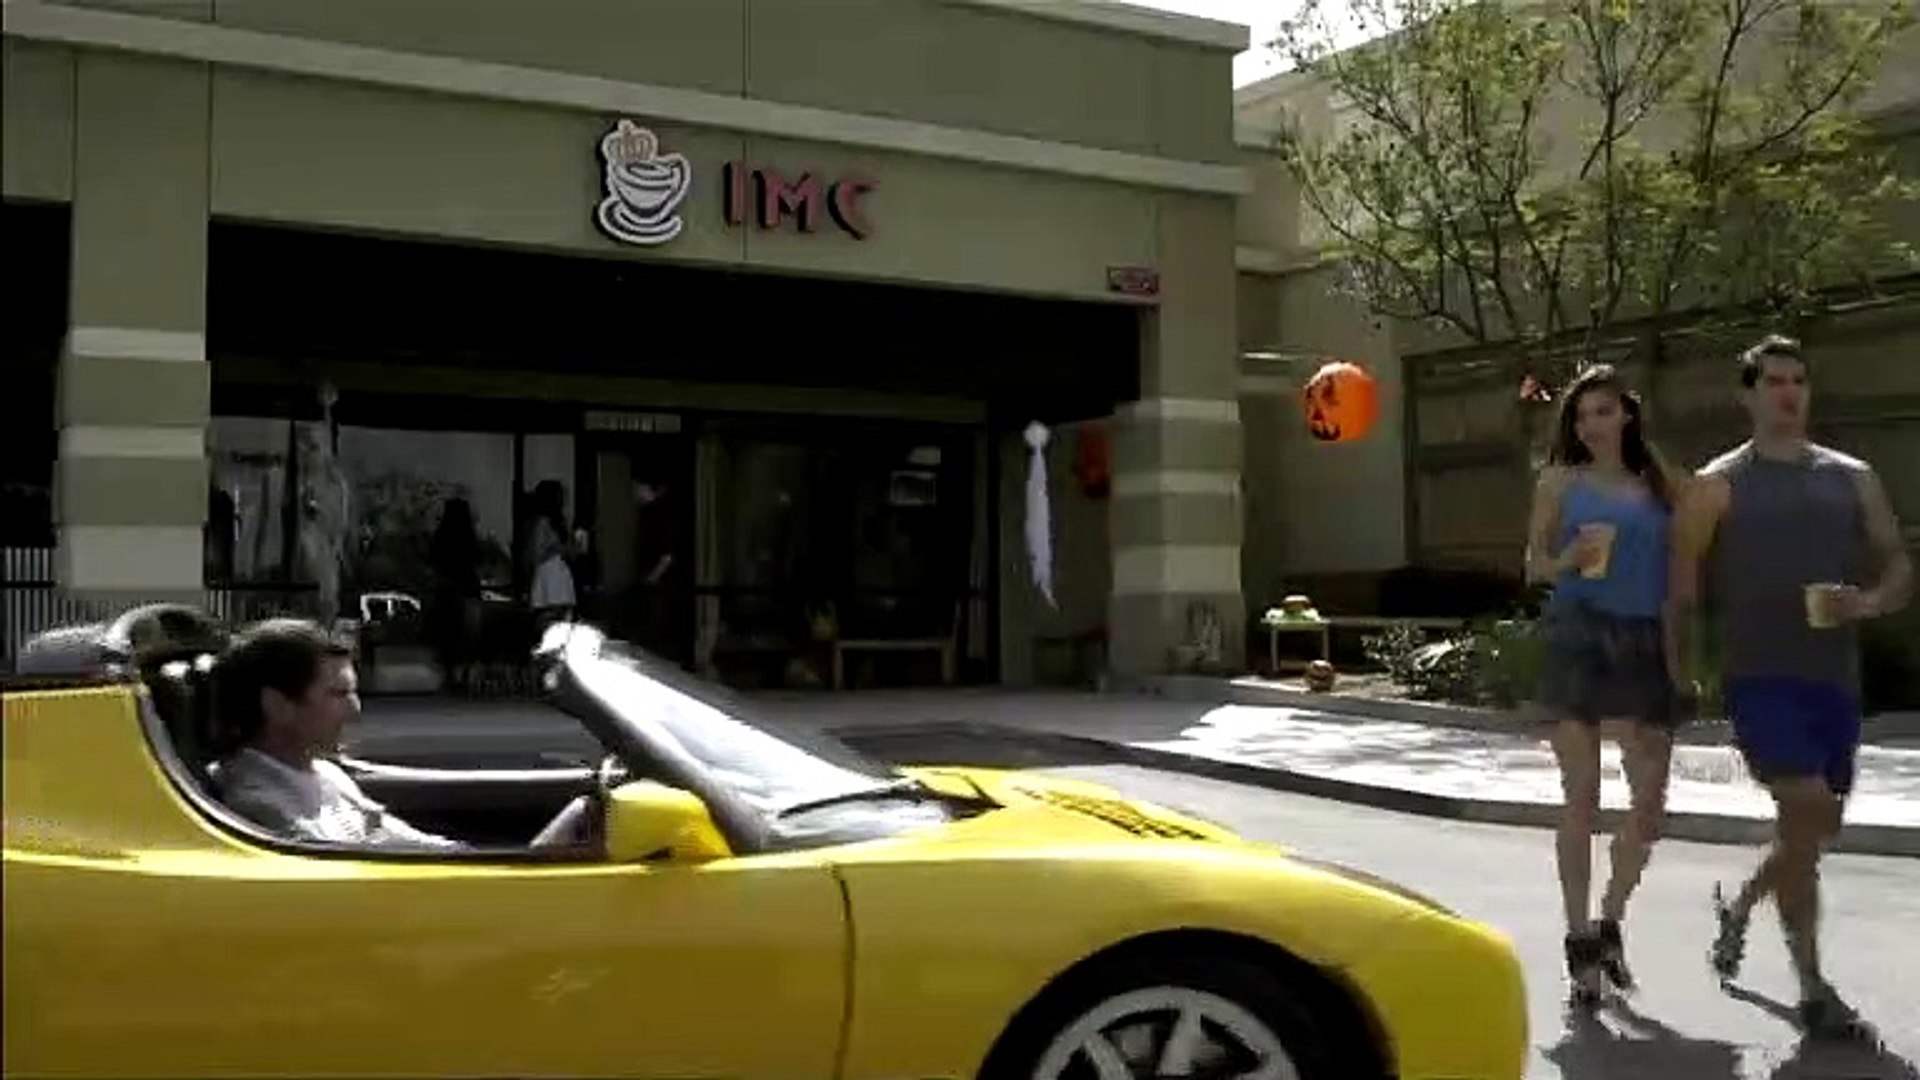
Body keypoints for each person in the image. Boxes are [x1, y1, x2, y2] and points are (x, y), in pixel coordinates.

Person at [1671, 334, 1910, 1040]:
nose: (1789, 393)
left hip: (1833, 680)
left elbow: (1898, 565)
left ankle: (1743, 906)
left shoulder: (1851, 476)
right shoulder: (1718, 484)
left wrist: (1867, 603)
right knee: (1806, 808)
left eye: (1798, 381)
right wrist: (1677, 667)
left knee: (1810, 833)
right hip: (1759, 677)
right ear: (1746, 395)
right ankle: (1813, 989)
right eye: (1773, 381)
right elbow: (1680, 585)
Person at [1524, 364, 1685, 1008]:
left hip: (1642, 641)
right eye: (1582, 414)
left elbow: (1677, 576)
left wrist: (1677, 660)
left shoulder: (1656, 483)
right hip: (1578, 635)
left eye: (1604, 411)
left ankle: (1611, 919)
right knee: (1582, 797)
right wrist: (1567, 559)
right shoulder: (1560, 480)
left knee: (1649, 808)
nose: (1592, 424)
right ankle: (1578, 939)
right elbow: (1534, 563)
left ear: (1627, 414)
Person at [212, 618, 598, 851]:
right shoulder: (261, 806)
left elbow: (414, 848)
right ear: (277, 705)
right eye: (338, 694)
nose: (355, 710)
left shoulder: (324, 774)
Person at [428, 497, 483, 694]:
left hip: (447, 591)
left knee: (448, 634)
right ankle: (465, 674)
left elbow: (432, 561)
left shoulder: (441, 536)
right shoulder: (470, 537)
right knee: (468, 635)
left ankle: (450, 675)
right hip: (468, 589)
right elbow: (478, 560)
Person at [525, 480, 579, 626]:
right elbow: (536, 554)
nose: (563, 500)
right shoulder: (542, 523)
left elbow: (570, 551)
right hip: (549, 572)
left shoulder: (559, 521)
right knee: (550, 617)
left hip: (560, 572)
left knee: (562, 616)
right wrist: (557, 548)